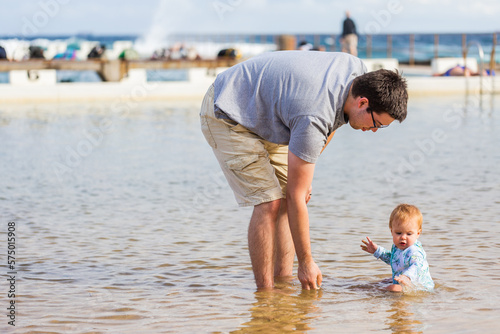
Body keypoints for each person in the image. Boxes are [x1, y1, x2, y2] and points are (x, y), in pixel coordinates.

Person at [200, 51, 408, 290]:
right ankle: (265, 297)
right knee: (270, 202)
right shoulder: (313, 116)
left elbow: (333, 121)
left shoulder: (360, 74)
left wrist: (305, 172)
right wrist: (307, 261)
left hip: (266, 109)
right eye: (377, 124)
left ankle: (283, 287)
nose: (373, 131)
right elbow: (318, 123)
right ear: (363, 103)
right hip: (227, 109)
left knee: (290, 199)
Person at [360, 204, 434, 292]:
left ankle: (374, 291)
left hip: (419, 286)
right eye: (398, 233)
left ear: (418, 233)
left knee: (393, 288)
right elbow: (394, 260)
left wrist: (407, 277)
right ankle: (373, 287)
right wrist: (377, 251)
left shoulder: (415, 251)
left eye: (409, 234)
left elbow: (417, 265)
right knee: (386, 280)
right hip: (403, 280)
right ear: (392, 231)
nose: (403, 237)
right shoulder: (398, 247)